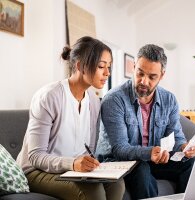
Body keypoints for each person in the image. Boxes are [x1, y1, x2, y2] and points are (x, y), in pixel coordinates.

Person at [16, 36, 125, 200]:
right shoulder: (49, 96)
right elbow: (36, 156)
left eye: (108, 67)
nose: (107, 73)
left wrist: (91, 164)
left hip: (72, 170)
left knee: (117, 184)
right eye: (101, 66)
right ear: (80, 65)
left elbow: (87, 149)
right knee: (93, 193)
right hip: (36, 171)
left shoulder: (94, 102)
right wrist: (72, 164)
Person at [96, 44, 195, 200]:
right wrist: (149, 152)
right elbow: (120, 148)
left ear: (162, 75)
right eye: (140, 73)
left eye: (152, 77)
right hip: (118, 161)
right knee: (142, 169)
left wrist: (185, 147)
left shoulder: (169, 99)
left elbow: (176, 136)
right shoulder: (114, 99)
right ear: (134, 67)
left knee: (191, 163)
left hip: (152, 159)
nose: (144, 81)